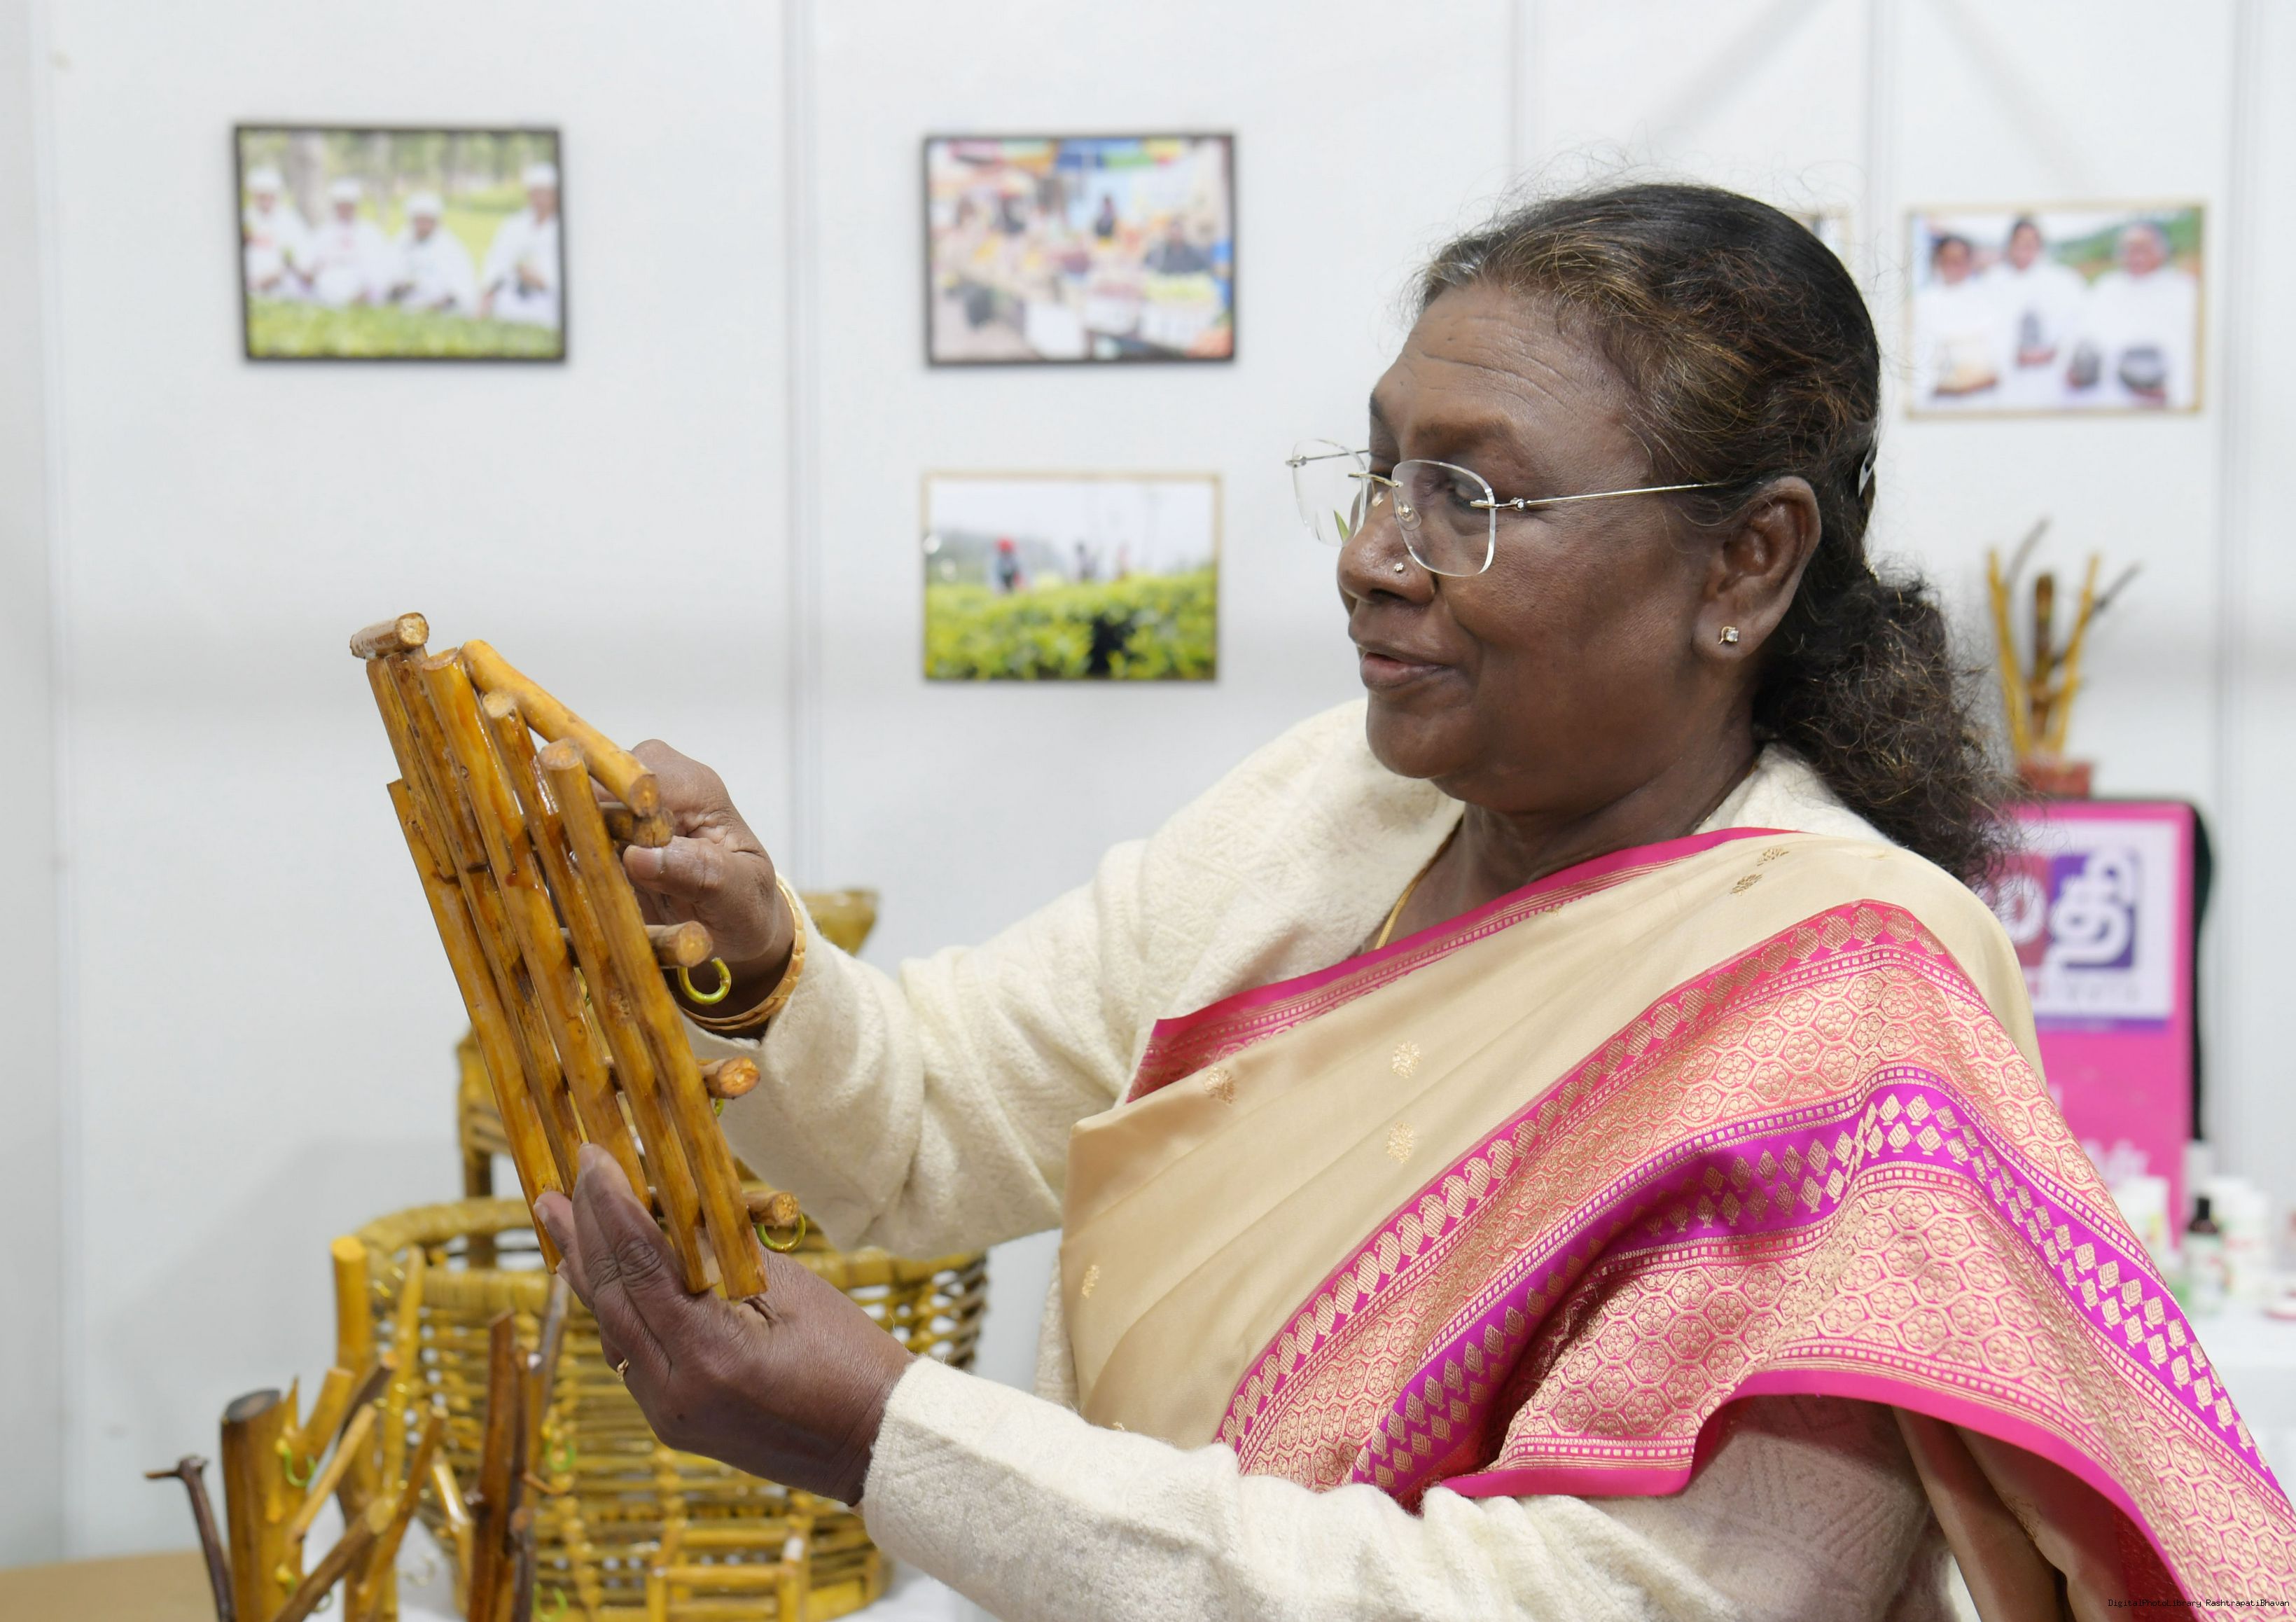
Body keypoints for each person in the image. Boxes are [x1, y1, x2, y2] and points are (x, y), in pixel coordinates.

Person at [537, 184, 2292, 1618]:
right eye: (1382, 472)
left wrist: (896, 1439)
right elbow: (930, 1121)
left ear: (1746, 561)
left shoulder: (1846, 1006)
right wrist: (750, 956)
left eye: (1474, 497)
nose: (1373, 555)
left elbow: (1613, 1601)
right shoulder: (1334, 805)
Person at [2073, 220, 2199, 409]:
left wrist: (2172, 390)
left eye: (2143, 249)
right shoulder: (2106, 287)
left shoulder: (2185, 290)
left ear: (2162, 252)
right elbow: (2085, 336)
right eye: (2128, 250)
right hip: (2108, 401)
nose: (2135, 256)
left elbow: (2195, 352)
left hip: (2161, 404)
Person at [1983, 216, 2087, 409]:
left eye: (2031, 243)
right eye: (2020, 242)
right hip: (2010, 380)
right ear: (2010, 245)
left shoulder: (2063, 280)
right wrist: (2012, 354)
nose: (2025, 248)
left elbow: (2077, 324)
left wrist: (2056, 352)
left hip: (2052, 377)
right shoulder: (1993, 281)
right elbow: (1986, 330)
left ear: (2040, 245)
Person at [1908, 231, 2000, 406]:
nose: (1954, 266)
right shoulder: (1923, 303)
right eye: (1948, 260)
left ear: (1969, 262)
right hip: (1940, 401)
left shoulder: (1988, 299)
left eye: (1959, 260)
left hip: (1982, 400)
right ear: (1938, 261)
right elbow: (1918, 358)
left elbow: (1999, 354)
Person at [479, 161, 562, 328]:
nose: (539, 199)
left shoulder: (564, 227)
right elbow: (496, 261)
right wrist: (487, 294)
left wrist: (542, 280)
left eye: (545, 193)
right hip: (510, 299)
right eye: (535, 193)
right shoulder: (513, 225)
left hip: (547, 303)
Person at [387, 190, 476, 315]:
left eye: (427, 221)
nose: (423, 226)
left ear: (436, 222)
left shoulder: (451, 248)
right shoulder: (401, 244)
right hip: (405, 309)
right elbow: (388, 284)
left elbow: (460, 291)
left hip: (442, 312)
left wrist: (435, 306)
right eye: (419, 221)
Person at [303, 176, 389, 307]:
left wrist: (367, 291)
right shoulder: (323, 232)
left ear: (355, 206)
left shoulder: (369, 232)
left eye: (348, 206)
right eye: (340, 206)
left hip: (361, 288)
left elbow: (379, 267)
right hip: (327, 287)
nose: (344, 210)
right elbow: (310, 264)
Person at [240, 165, 309, 300]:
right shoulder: (246, 218)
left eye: (270, 196)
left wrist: (280, 273)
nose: (266, 200)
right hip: (251, 284)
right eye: (261, 196)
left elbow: (299, 257)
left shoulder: (290, 220)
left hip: (283, 285)